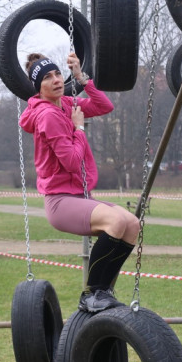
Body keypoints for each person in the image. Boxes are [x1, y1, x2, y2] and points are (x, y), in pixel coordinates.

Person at [18, 52, 140, 313]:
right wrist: (79, 129)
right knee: (116, 222)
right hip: (60, 202)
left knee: (132, 224)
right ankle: (91, 293)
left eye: (57, 74)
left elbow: (105, 106)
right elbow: (72, 162)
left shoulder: (65, 105)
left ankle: (104, 289)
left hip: (78, 197)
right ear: (38, 87)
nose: (56, 80)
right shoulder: (47, 116)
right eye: (47, 78)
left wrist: (82, 78)